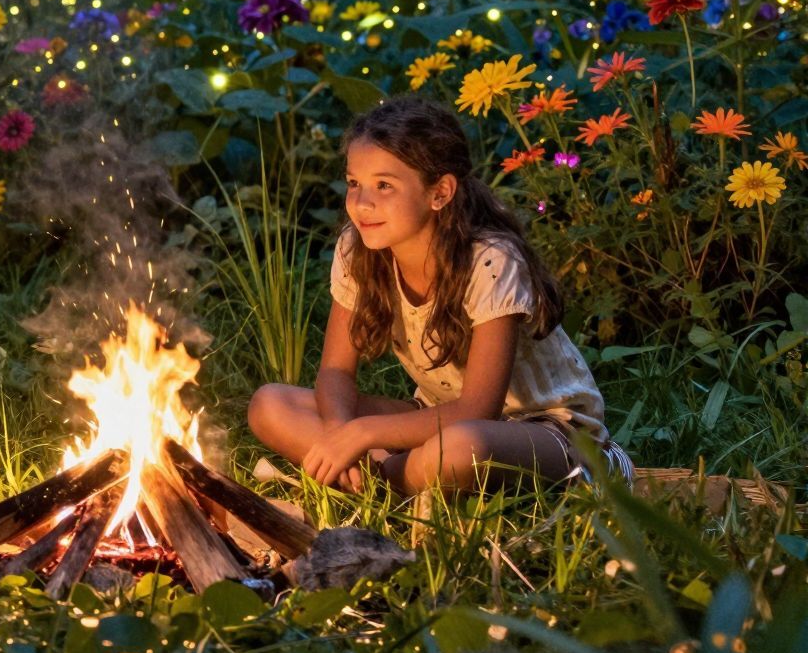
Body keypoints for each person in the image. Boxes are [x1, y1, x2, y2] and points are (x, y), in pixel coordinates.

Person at [248, 94, 632, 493]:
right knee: (271, 405)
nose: (361, 203)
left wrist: (362, 436)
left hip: (546, 432)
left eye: (384, 185)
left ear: (440, 193)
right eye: (354, 183)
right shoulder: (358, 248)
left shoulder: (490, 261)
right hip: (435, 417)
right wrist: (338, 432)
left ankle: (381, 481)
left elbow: (478, 410)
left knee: (462, 449)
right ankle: (394, 474)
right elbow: (335, 371)